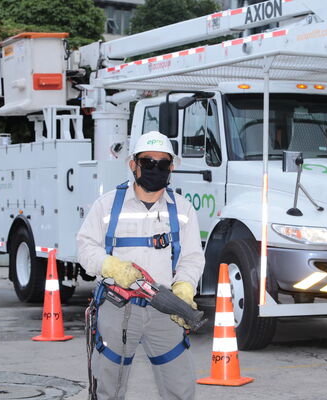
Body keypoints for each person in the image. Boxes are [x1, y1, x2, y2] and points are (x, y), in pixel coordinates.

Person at [77, 131, 205, 400]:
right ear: (132, 164)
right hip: (117, 307)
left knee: (180, 387)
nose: (155, 169)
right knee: (109, 388)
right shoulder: (107, 205)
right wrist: (110, 265)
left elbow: (192, 257)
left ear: (172, 167)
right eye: (148, 162)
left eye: (163, 163)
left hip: (165, 309)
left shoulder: (182, 209)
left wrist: (183, 288)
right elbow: (86, 247)